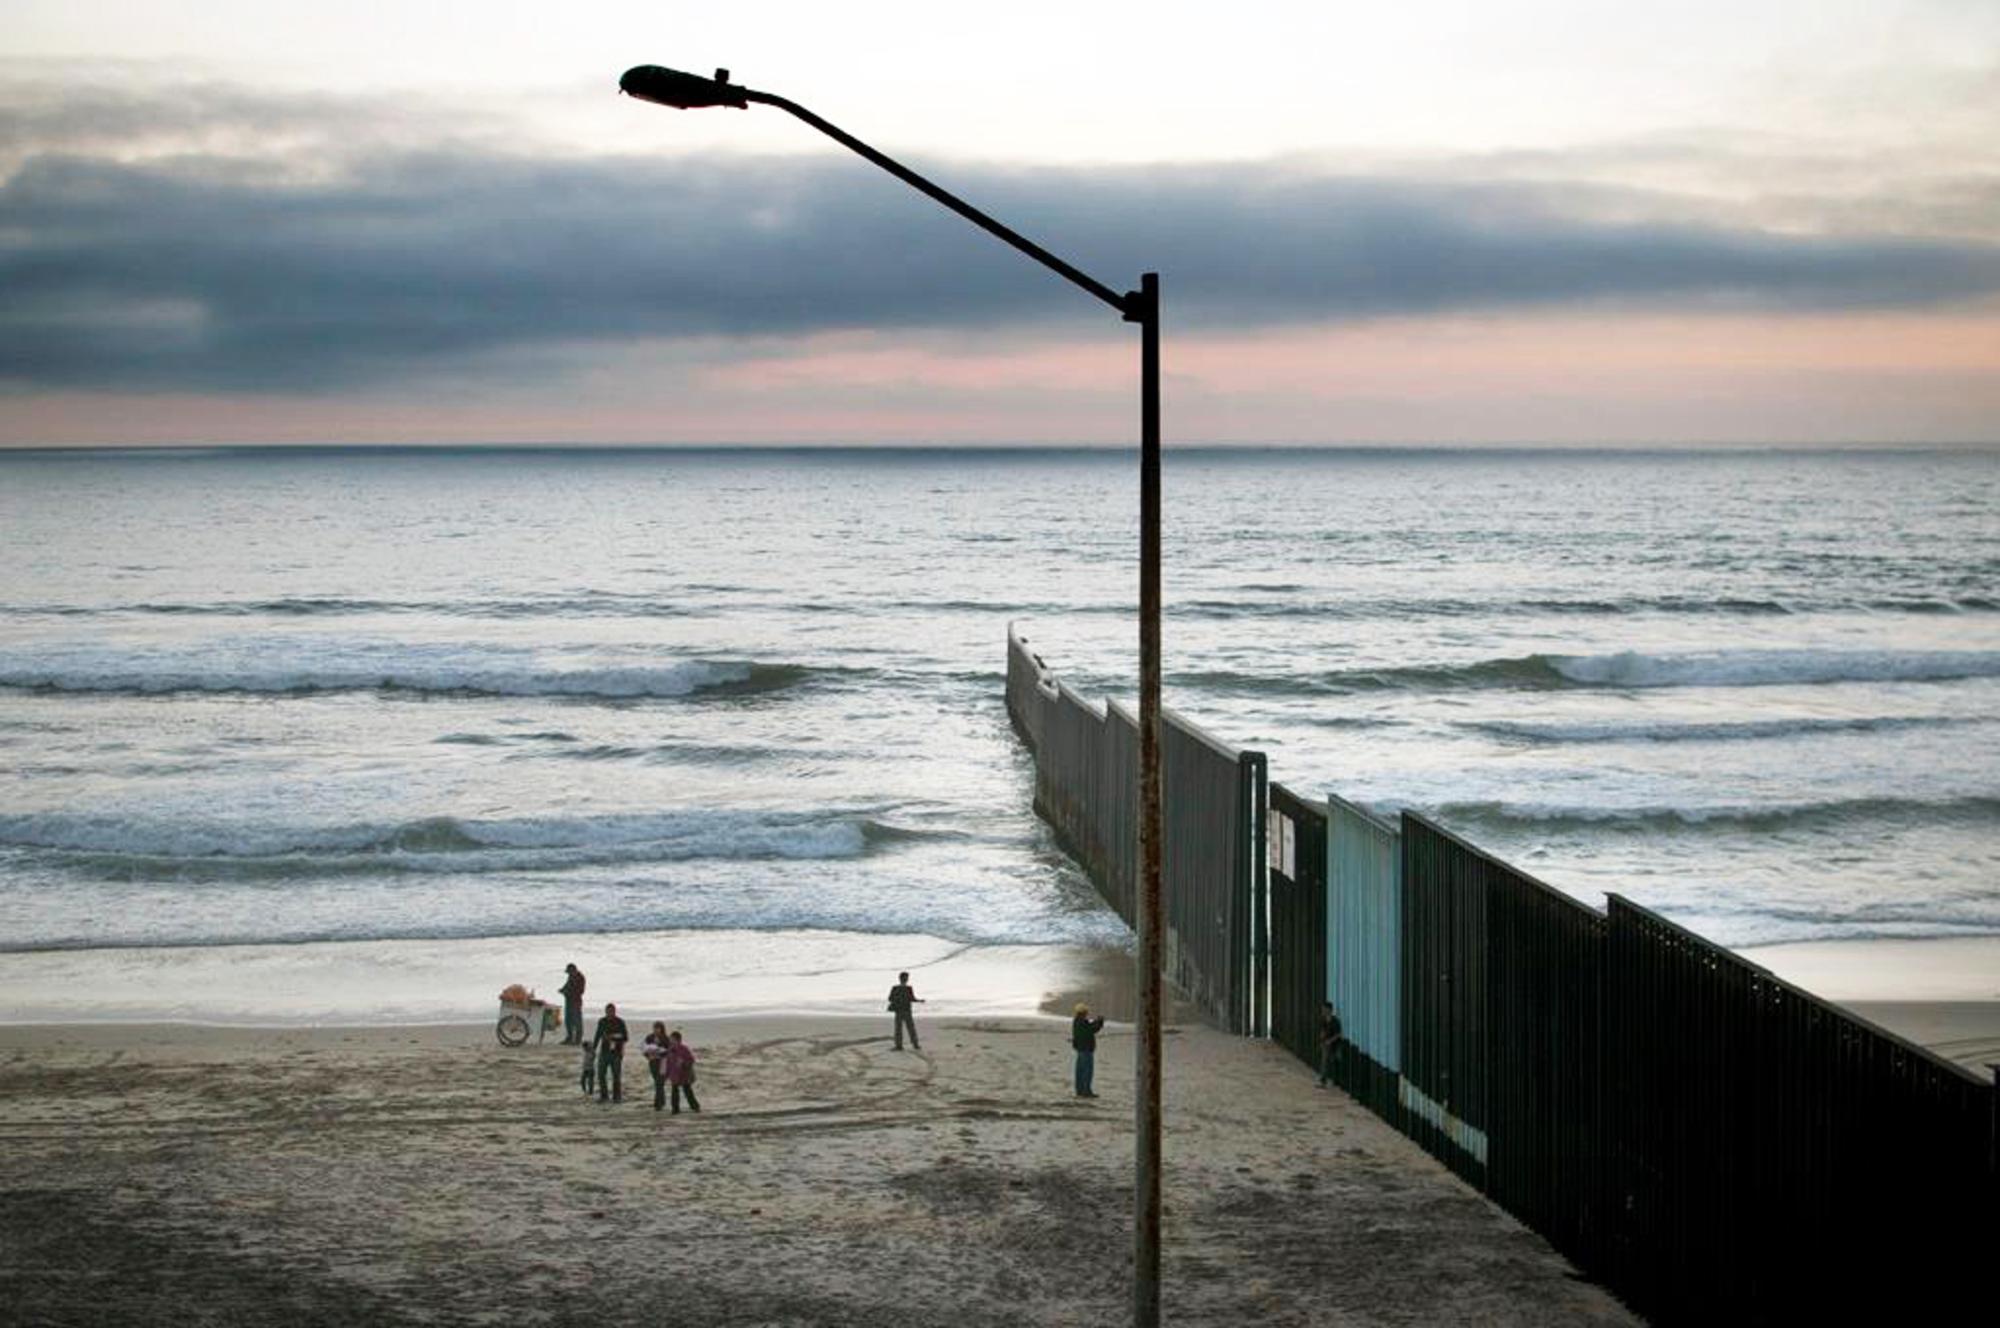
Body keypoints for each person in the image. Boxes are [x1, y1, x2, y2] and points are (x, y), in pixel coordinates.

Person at [592, 1002, 629, 1104]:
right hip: (604, 1051)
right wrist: (594, 1048)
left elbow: (625, 1037)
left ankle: (617, 1096)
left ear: (614, 1012)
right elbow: (598, 1035)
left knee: (616, 1075)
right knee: (601, 1074)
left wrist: (613, 1037)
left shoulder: (620, 1022)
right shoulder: (602, 1021)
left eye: (611, 1012)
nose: (609, 1014)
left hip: (616, 1052)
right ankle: (604, 1096)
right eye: (607, 1012)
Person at [1071, 1002, 1106, 1099]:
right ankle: (1086, 1091)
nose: (1087, 1013)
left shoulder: (1077, 1021)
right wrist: (1099, 1022)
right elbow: (1091, 1030)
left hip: (1080, 1049)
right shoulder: (1081, 1022)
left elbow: (1090, 1027)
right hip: (1086, 1050)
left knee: (1080, 1072)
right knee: (1087, 1072)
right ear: (1083, 1012)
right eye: (1086, 1012)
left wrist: (1097, 1022)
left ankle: (1080, 1091)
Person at [662, 1029, 701, 1115]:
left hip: (684, 1074)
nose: (671, 1041)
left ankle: (695, 1106)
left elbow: (691, 1060)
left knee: (687, 1091)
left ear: (678, 1040)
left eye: (673, 1039)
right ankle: (675, 1109)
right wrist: (666, 1075)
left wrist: (683, 1063)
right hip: (674, 1074)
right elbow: (668, 1063)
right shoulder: (670, 1050)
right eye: (671, 1039)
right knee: (674, 1092)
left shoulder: (684, 1049)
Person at [886, 971, 923, 1051]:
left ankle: (899, 1046)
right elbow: (912, 999)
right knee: (910, 1028)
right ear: (906, 979)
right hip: (907, 1010)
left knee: (898, 1029)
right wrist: (919, 1001)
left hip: (899, 1010)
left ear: (899, 978)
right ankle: (915, 1044)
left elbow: (890, 998)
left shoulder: (895, 988)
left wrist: (897, 1000)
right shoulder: (908, 988)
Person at [642, 1021, 672, 1111]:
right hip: (653, 1062)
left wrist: (660, 1050)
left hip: (663, 1062)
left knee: (660, 1082)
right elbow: (644, 1048)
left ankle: (658, 1103)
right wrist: (648, 1056)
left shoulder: (666, 1038)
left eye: (658, 1028)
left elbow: (669, 1050)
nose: (656, 1030)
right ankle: (661, 1101)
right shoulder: (649, 1037)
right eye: (655, 1028)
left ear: (662, 1029)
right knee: (657, 1081)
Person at [1317, 1000, 1345, 1088]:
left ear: (1329, 1010)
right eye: (1322, 1009)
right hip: (1326, 1045)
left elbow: (1339, 1034)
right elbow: (1322, 1031)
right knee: (1324, 1062)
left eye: (1324, 1009)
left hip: (1335, 1045)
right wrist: (1322, 1040)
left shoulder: (1336, 1021)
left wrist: (1330, 1041)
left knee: (1333, 1063)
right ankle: (1323, 1081)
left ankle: (1334, 1081)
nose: (1323, 1011)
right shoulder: (1323, 1020)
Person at [559, 963, 587, 1044]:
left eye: (569, 972)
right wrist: (563, 989)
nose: (569, 974)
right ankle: (569, 1037)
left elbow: (581, 991)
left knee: (577, 1020)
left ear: (573, 970)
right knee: (568, 1020)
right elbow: (567, 985)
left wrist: (568, 992)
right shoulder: (571, 976)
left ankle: (578, 1039)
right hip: (568, 1000)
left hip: (576, 1001)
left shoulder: (580, 977)